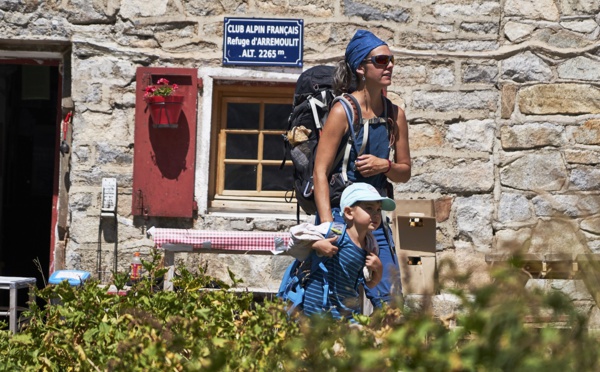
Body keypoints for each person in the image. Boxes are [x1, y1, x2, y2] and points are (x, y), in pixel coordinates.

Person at [312, 29, 412, 309]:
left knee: (390, 300)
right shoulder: (342, 111)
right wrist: (326, 226)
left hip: (375, 220)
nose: (389, 65)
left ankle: (389, 352)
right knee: (335, 298)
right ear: (360, 67)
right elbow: (320, 171)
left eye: (391, 60)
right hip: (339, 217)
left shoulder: (396, 115)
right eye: (380, 61)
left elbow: (404, 171)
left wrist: (386, 165)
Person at [293, 182, 395, 322]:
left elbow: (368, 283)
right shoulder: (334, 232)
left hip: (346, 314)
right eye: (369, 208)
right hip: (317, 309)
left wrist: (378, 270)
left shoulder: (371, 245)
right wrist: (316, 244)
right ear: (348, 212)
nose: (376, 214)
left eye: (378, 210)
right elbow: (294, 235)